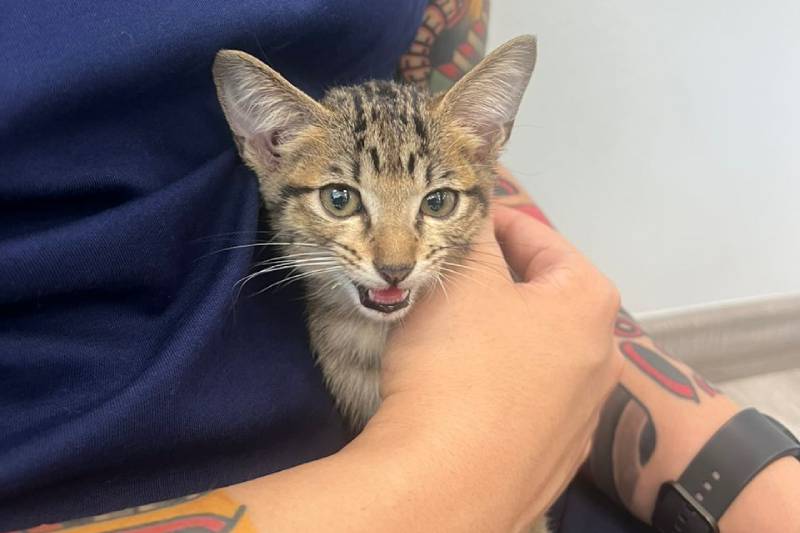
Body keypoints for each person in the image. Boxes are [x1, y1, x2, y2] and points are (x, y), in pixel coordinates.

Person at [1, 1, 797, 531]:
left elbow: (445, 105)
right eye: (343, 199)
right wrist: (444, 480)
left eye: (431, 206)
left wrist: (722, 454)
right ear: (268, 144)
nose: (393, 254)